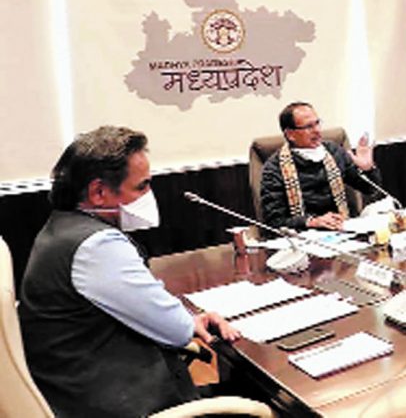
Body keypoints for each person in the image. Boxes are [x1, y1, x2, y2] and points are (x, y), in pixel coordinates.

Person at [18, 126, 240, 417]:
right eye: (141, 186)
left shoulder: (61, 228)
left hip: (76, 392)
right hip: (115, 405)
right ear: (99, 192)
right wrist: (184, 321)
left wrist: (186, 319)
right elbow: (176, 331)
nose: (149, 195)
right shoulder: (96, 246)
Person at [260, 102, 383, 230]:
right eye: (309, 126)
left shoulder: (334, 152)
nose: (317, 131)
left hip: (343, 228)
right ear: (290, 134)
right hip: (303, 236)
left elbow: (371, 190)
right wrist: (312, 222)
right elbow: (274, 221)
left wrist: (368, 169)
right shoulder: (274, 168)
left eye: (317, 123)